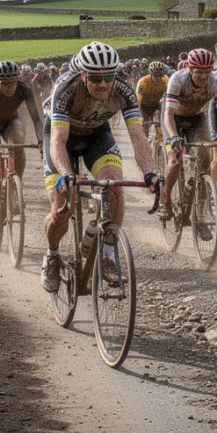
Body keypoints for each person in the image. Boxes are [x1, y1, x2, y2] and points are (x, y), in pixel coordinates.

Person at [40, 42, 158, 292]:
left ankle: (107, 252)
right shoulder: (66, 89)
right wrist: (67, 174)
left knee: (114, 183)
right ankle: (52, 255)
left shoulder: (124, 91)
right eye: (95, 77)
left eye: (108, 76)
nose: (103, 83)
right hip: (63, 140)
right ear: (83, 75)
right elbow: (58, 140)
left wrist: (149, 172)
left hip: (97, 136)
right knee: (63, 202)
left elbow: (138, 136)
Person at [0, 60, 45, 239]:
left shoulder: (24, 89)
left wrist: (41, 140)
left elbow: (37, 119)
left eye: (12, 82)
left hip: (10, 122)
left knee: (18, 145)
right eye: (4, 83)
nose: (8, 87)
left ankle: (15, 186)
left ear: (18, 79)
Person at [159, 48, 217, 218]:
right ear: (190, 69)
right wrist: (173, 136)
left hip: (196, 118)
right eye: (199, 72)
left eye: (208, 71)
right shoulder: (177, 79)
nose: (204, 76)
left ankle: (201, 214)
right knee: (175, 160)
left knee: (205, 158)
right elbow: (168, 114)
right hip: (174, 119)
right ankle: (165, 201)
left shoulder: (216, 82)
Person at [136, 60, 169, 125]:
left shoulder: (165, 80)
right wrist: (138, 115)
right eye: (155, 75)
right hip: (143, 106)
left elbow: (169, 96)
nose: (158, 78)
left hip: (156, 106)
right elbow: (138, 100)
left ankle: (158, 133)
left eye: (160, 75)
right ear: (151, 75)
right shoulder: (143, 82)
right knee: (145, 126)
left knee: (159, 125)